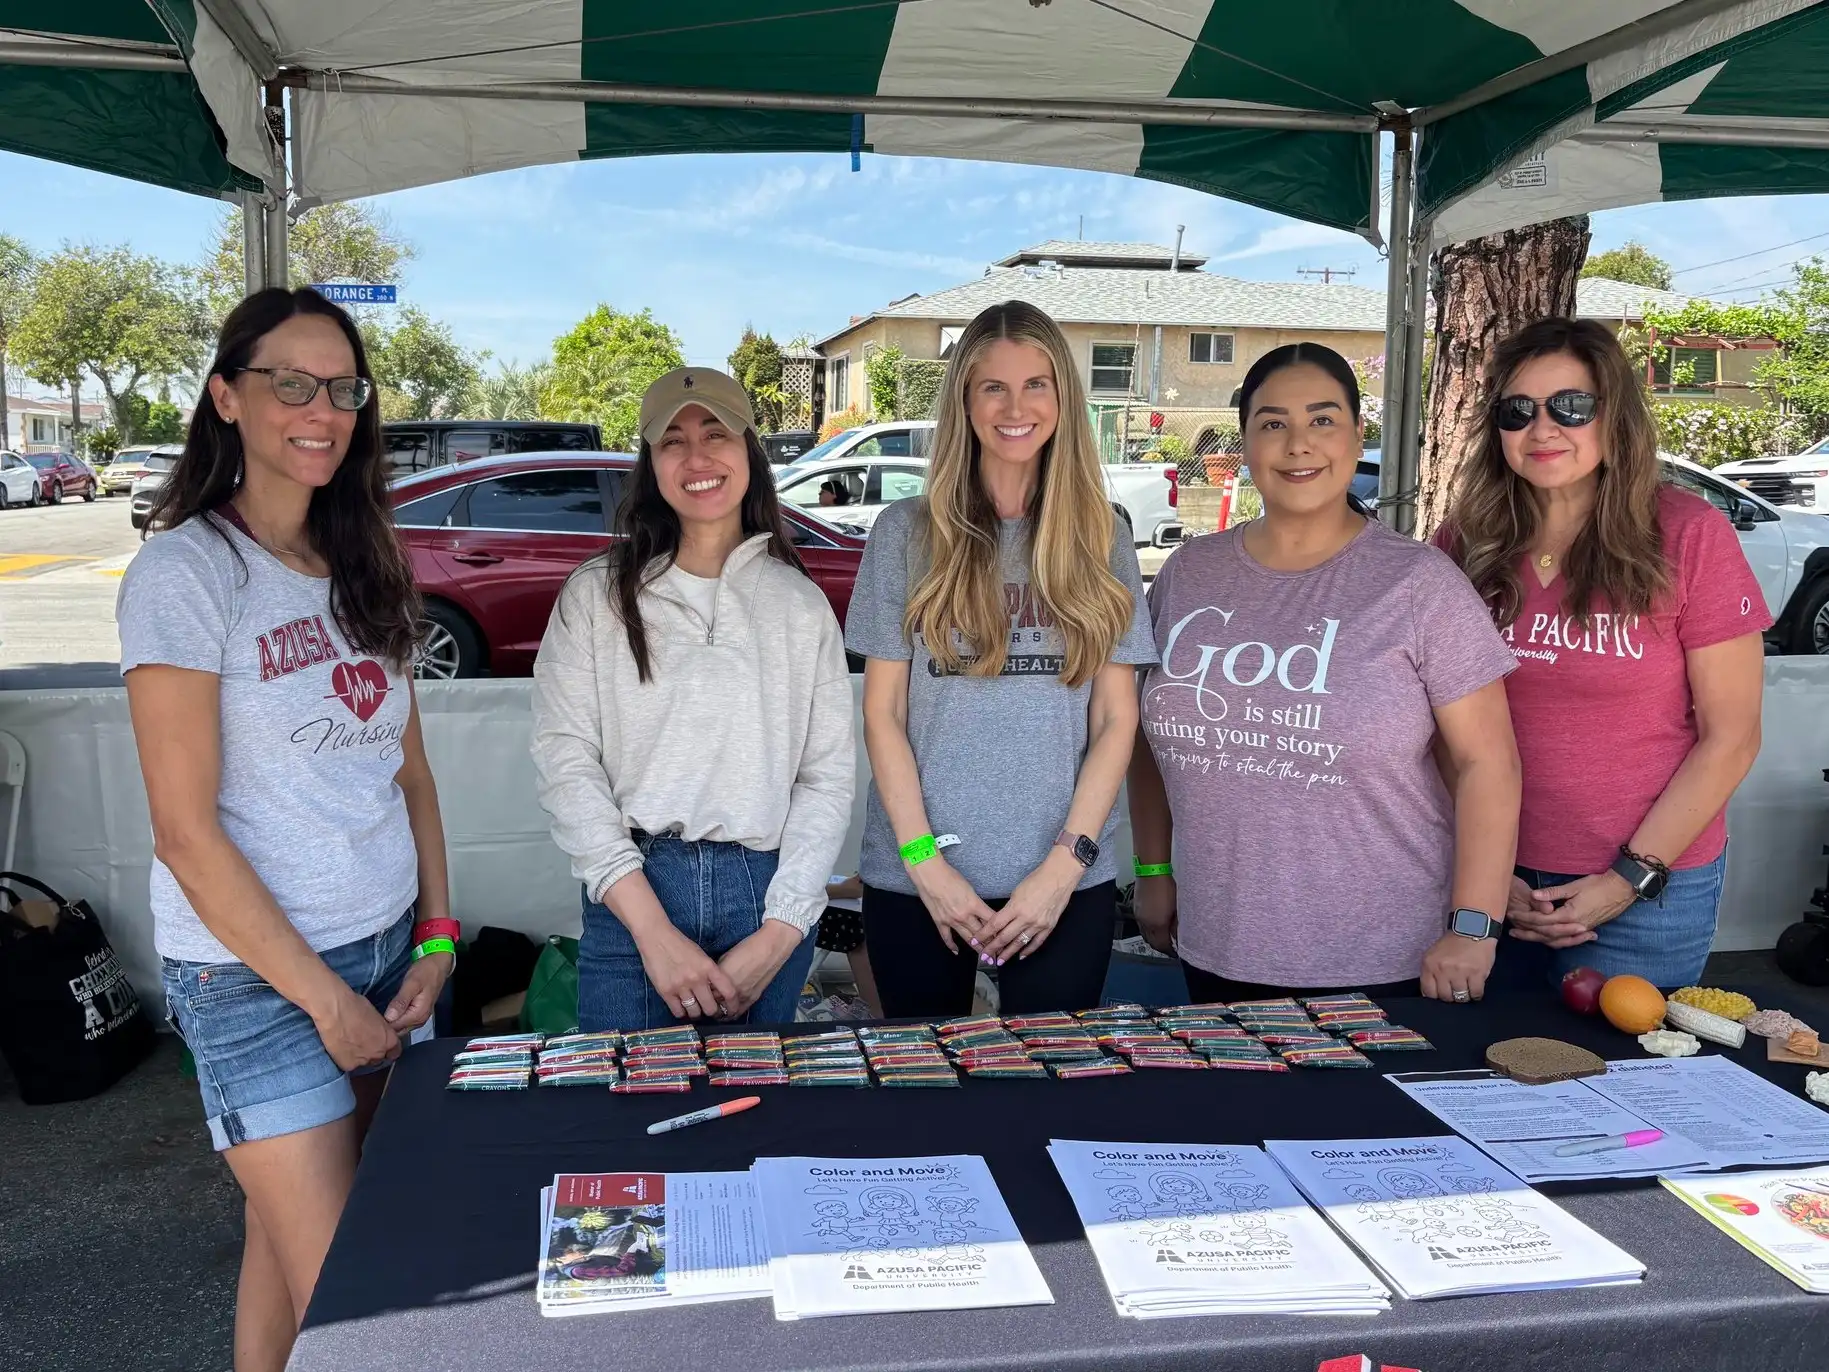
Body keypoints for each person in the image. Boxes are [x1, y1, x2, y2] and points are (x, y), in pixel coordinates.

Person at [118, 287, 454, 1372]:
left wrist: (439, 938)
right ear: (226, 395)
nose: (321, 409)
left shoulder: (364, 563)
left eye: (342, 388)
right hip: (257, 984)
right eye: (289, 383)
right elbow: (184, 831)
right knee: (366, 1312)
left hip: (389, 952)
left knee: (284, 1244)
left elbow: (410, 776)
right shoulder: (186, 572)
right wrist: (327, 1004)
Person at [1128, 342, 1521, 1004]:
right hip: (1215, 940)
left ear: (1355, 434)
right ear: (1246, 440)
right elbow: (1146, 738)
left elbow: (1489, 764)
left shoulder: (1418, 583)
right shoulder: (1187, 573)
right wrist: (1152, 868)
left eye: (1321, 420)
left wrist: (1474, 927)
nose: (1297, 444)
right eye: (1272, 423)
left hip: (1384, 957)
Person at [1434, 317, 1769, 988]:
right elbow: (1436, 727)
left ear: (1613, 416)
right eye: (1516, 410)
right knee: (1473, 1081)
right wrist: (1486, 876)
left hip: (1643, 893)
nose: (1543, 428)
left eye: (1571, 406)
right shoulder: (1461, 544)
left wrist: (1627, 879)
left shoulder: (1687, 535)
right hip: (1485, 882)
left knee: (1622, 1086)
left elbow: (1730, 737)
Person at [846, 300, 1156, 1018]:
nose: (1015, 407)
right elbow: (883, 714)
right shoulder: (904, 534)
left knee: (1043, 1102)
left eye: (1036, 384)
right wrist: (926, 866)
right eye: (993, 386)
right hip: (918, 883)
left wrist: (1061, 868)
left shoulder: (1102, 535)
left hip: (1061, 886)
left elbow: (1115, 718)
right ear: (964, 400)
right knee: (926, 1098)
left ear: (1062, 399)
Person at [530, 366, 853, 1030]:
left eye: (715, 432)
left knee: (754, 1118)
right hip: (635, 894)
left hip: (764, 893)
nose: (697, 456)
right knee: (627, 1120)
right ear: (649, 463)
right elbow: (566, 762)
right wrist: (651, 931)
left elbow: (825, 779)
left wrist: (784, 928)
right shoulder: (595, 596)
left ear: (749, 452)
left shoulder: (798, 605)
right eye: (672, 440)